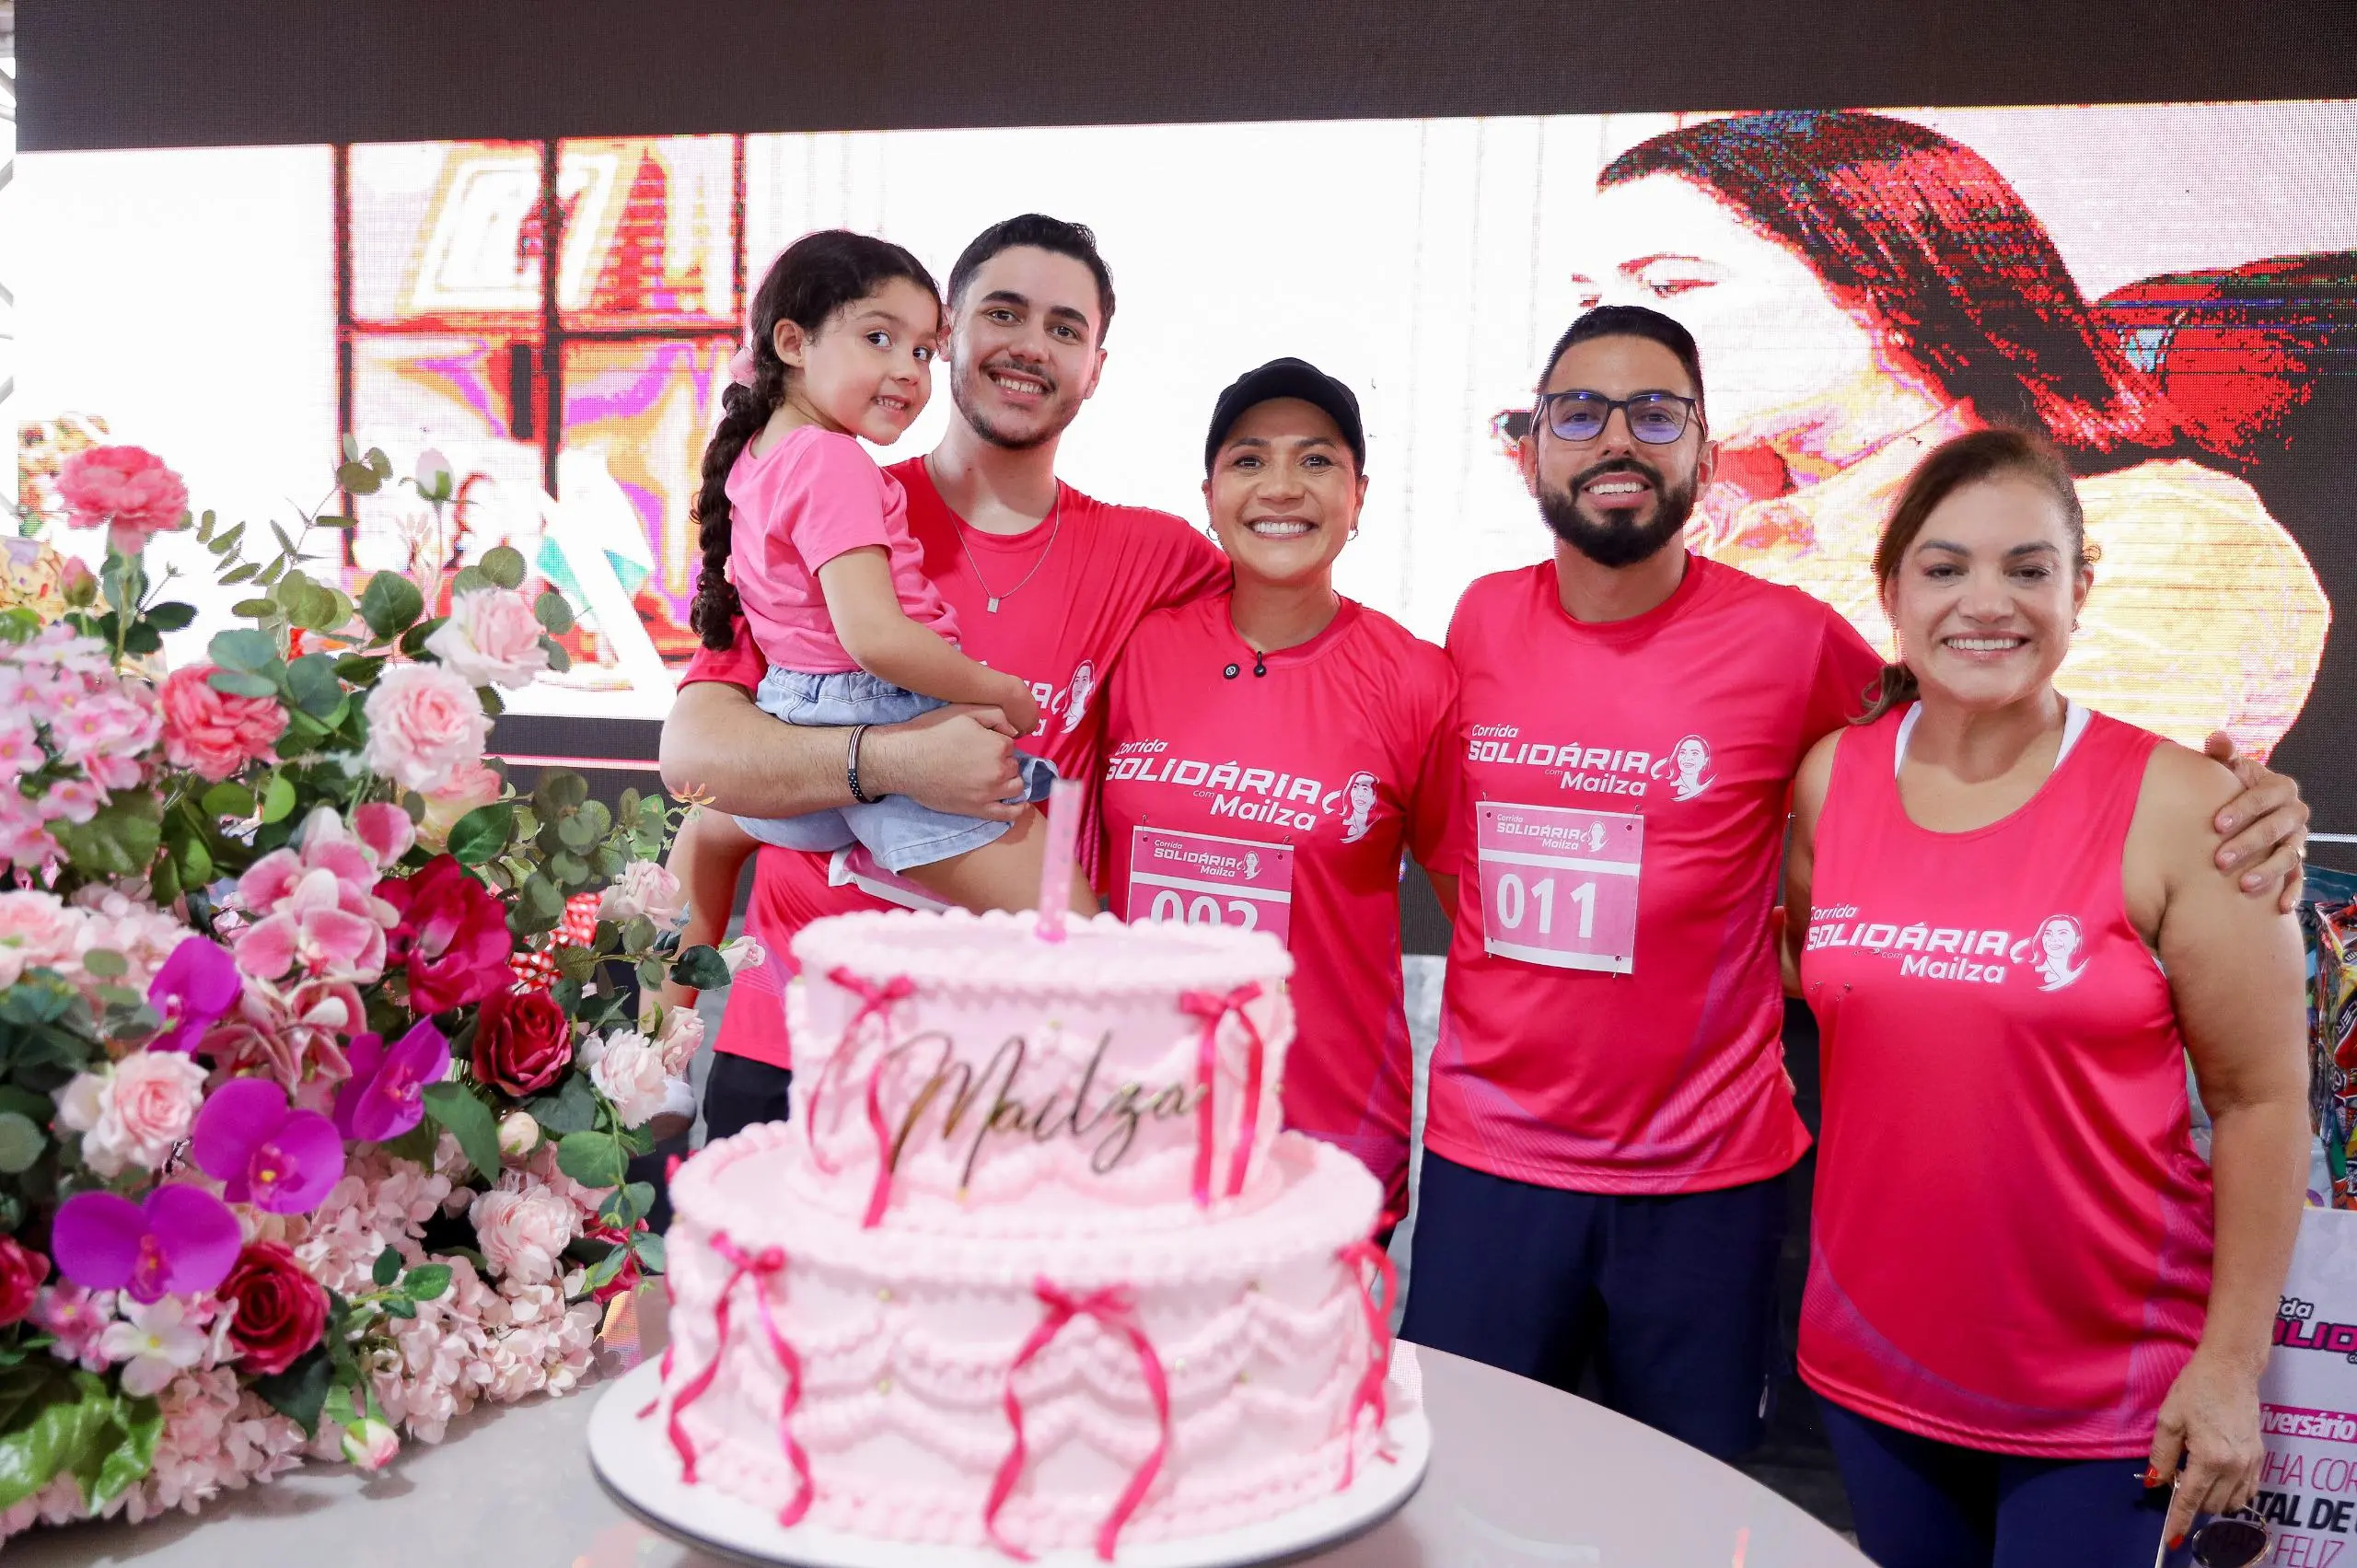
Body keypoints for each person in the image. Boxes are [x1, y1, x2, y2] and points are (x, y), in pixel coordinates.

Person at [1399, 302, 2311, 1465]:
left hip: (1706, 1176)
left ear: (1701, 448)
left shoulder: (1789, 638)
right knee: (1459, 1482)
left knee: (1682, 1503)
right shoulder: (1478, 617)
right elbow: (1457, 855)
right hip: (1490, 1159)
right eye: (1579, 413)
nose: (1616, 438)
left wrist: (2231, 794)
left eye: (1655, 413)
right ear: (1531, 446)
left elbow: (1976, 734)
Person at [1782, 427, 2305, 1566]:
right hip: (1875, 1366)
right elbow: (1811, 981)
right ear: (1890, 591)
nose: (1987, 602)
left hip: (2107, 1398)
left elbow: (2261, 1102)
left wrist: (2230, 1364)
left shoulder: (2188, 806)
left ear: (2080, 588)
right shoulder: (1832, 779)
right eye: (1945, 566)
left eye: (2027, 567)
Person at [1516, 110, 2328, 760]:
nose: (1617, 332)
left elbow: (2026, 810)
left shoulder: (2163, 533)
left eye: (1674, 284)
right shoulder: (1716, 539)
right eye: (1594, 300)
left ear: (1886, 290)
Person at [657, 215, 1227, 1140]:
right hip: (797, 1056)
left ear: (1095, 367)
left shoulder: (1155, 554)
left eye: (1065, 328)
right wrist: (894, 760)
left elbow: (1289, 627)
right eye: (1004, 313)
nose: (1030, 344)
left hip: (1001, 1081)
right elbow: (697, 775)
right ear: (954, 328)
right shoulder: (829, 498)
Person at [1097, 359, 1456, 1227]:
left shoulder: (1414, 680)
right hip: (1133, 1129)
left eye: (1318, 460)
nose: (1283, 486)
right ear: (1210, 495)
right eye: (1250, 460)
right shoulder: (1134, 651)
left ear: (1359, 498)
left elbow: (1465, 906)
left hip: (1325, 1149)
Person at [683, 229, 1087, 914]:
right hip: (879, 707)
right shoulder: (832, 460)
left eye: (923, 351)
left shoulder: (759, 458)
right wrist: (998, 689)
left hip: (794, 718)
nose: (908, 370)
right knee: (1075, 930)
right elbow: (875, 636)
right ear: (793, 343)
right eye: (879, 338)